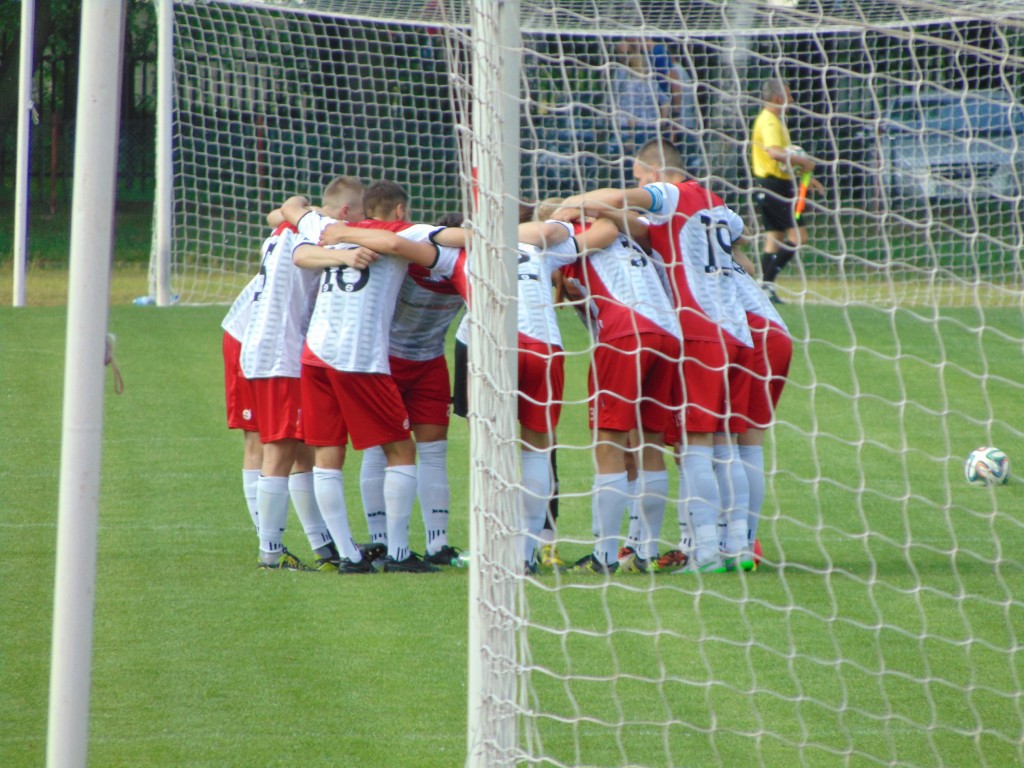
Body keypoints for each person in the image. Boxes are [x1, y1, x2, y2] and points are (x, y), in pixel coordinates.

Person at [556, 138, 755, 574]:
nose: (637, 186)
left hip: (695, 328)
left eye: (639, 178)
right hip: (732, 330)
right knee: (720, 444)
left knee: (690, 445)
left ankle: (695, 553)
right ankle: (734, 546)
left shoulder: (671, 195)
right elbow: (743, 247)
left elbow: (614, 203)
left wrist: (565, 207)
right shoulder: (718, 205)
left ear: (653, 174)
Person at [289, 180, 451, 574]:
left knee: (329, 455)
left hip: (316, 354)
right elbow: (411, 245)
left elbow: (292, 210)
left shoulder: (325, 230)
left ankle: (349, 555)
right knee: (401, 451)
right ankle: (397, 554)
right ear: (399, 212)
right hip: (358, 357)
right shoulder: (400, 232)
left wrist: (334, 235)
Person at [240, 177, 367, 571]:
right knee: (280, 449)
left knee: (294, 450)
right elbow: (303, 256)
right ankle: (271, 552)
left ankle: (319, 543)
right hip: (283, 351)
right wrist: (344, 256)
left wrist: (300, 209)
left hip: (259, 345)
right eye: (360, 213)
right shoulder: (315, 234)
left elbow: (285, 207)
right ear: (345, 212)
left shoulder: (286, 225)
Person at [556, 211, 682, 575]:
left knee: (608, 443)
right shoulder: (629, 237)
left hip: (626, 332)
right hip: (667, 331)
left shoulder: (569, 238)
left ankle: (605, 556)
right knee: (649, 443)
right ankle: (645, 552)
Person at [357, 212, 466, 568]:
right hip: (386, 361)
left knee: (433, 451)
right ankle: (382, 542)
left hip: (430, 362)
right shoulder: (407, 254)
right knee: (381, 449)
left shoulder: (466, 266)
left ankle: (438, 543)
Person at [730, 250, 793, 569]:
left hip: (750, 333)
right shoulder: (711, 220)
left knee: (721, 443)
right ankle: (743, 542)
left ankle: (738, 543)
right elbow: (749, 265)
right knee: (746, 444)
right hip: (772, 329)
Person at [750, 78, 824, 304]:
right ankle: (765, 285)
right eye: (789, 96)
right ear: (777, 99)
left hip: (771, 185)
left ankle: (762, 289)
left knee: (775, 238)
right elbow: (774, 153)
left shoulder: (772, 120)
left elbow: (783, 159)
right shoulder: (770, 121)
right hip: (773, 186)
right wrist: (803, 160)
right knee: (798, 237)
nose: (792, 101)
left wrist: (805, 175)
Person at [220, 276, 262, 535]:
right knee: (258, 440)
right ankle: (266, 538)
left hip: (279, 344)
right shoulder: (301, 244)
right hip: (248, 340)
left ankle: (325, 542)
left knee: (301, 446)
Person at [608, 39, 662, 158]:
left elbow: (629, 111)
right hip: (649, 129)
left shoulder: (629, 81)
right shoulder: (652, 81)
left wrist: (631, 136)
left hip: (628, 131)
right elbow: (664, 102)